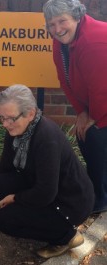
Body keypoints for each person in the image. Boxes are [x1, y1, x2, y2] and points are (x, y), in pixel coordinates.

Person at [0, 84, 94, 259]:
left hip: (69, 203)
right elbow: (5, 170)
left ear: (30, 113)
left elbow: (46, 193)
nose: (5, 124)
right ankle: (37, 217)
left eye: (11, 118)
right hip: (45, 187)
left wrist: (16, 198)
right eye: (2, 117)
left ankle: (66, 236)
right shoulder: (16, 130)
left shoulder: (46, 139)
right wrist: (18, 198)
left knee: (3, 220)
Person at [43, 0, 107, 213]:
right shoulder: (60, 40)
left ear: (77, 17)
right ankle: (95, 187)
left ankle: (101, 197)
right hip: (97, 100)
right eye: (51, 24)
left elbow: (101, 88)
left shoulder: (93, 41)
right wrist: (81, 112)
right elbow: (64, 78)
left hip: (103, 98)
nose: (57, 29)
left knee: (96, 139)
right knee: (85, 137)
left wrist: (93, 117)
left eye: (62, 21)